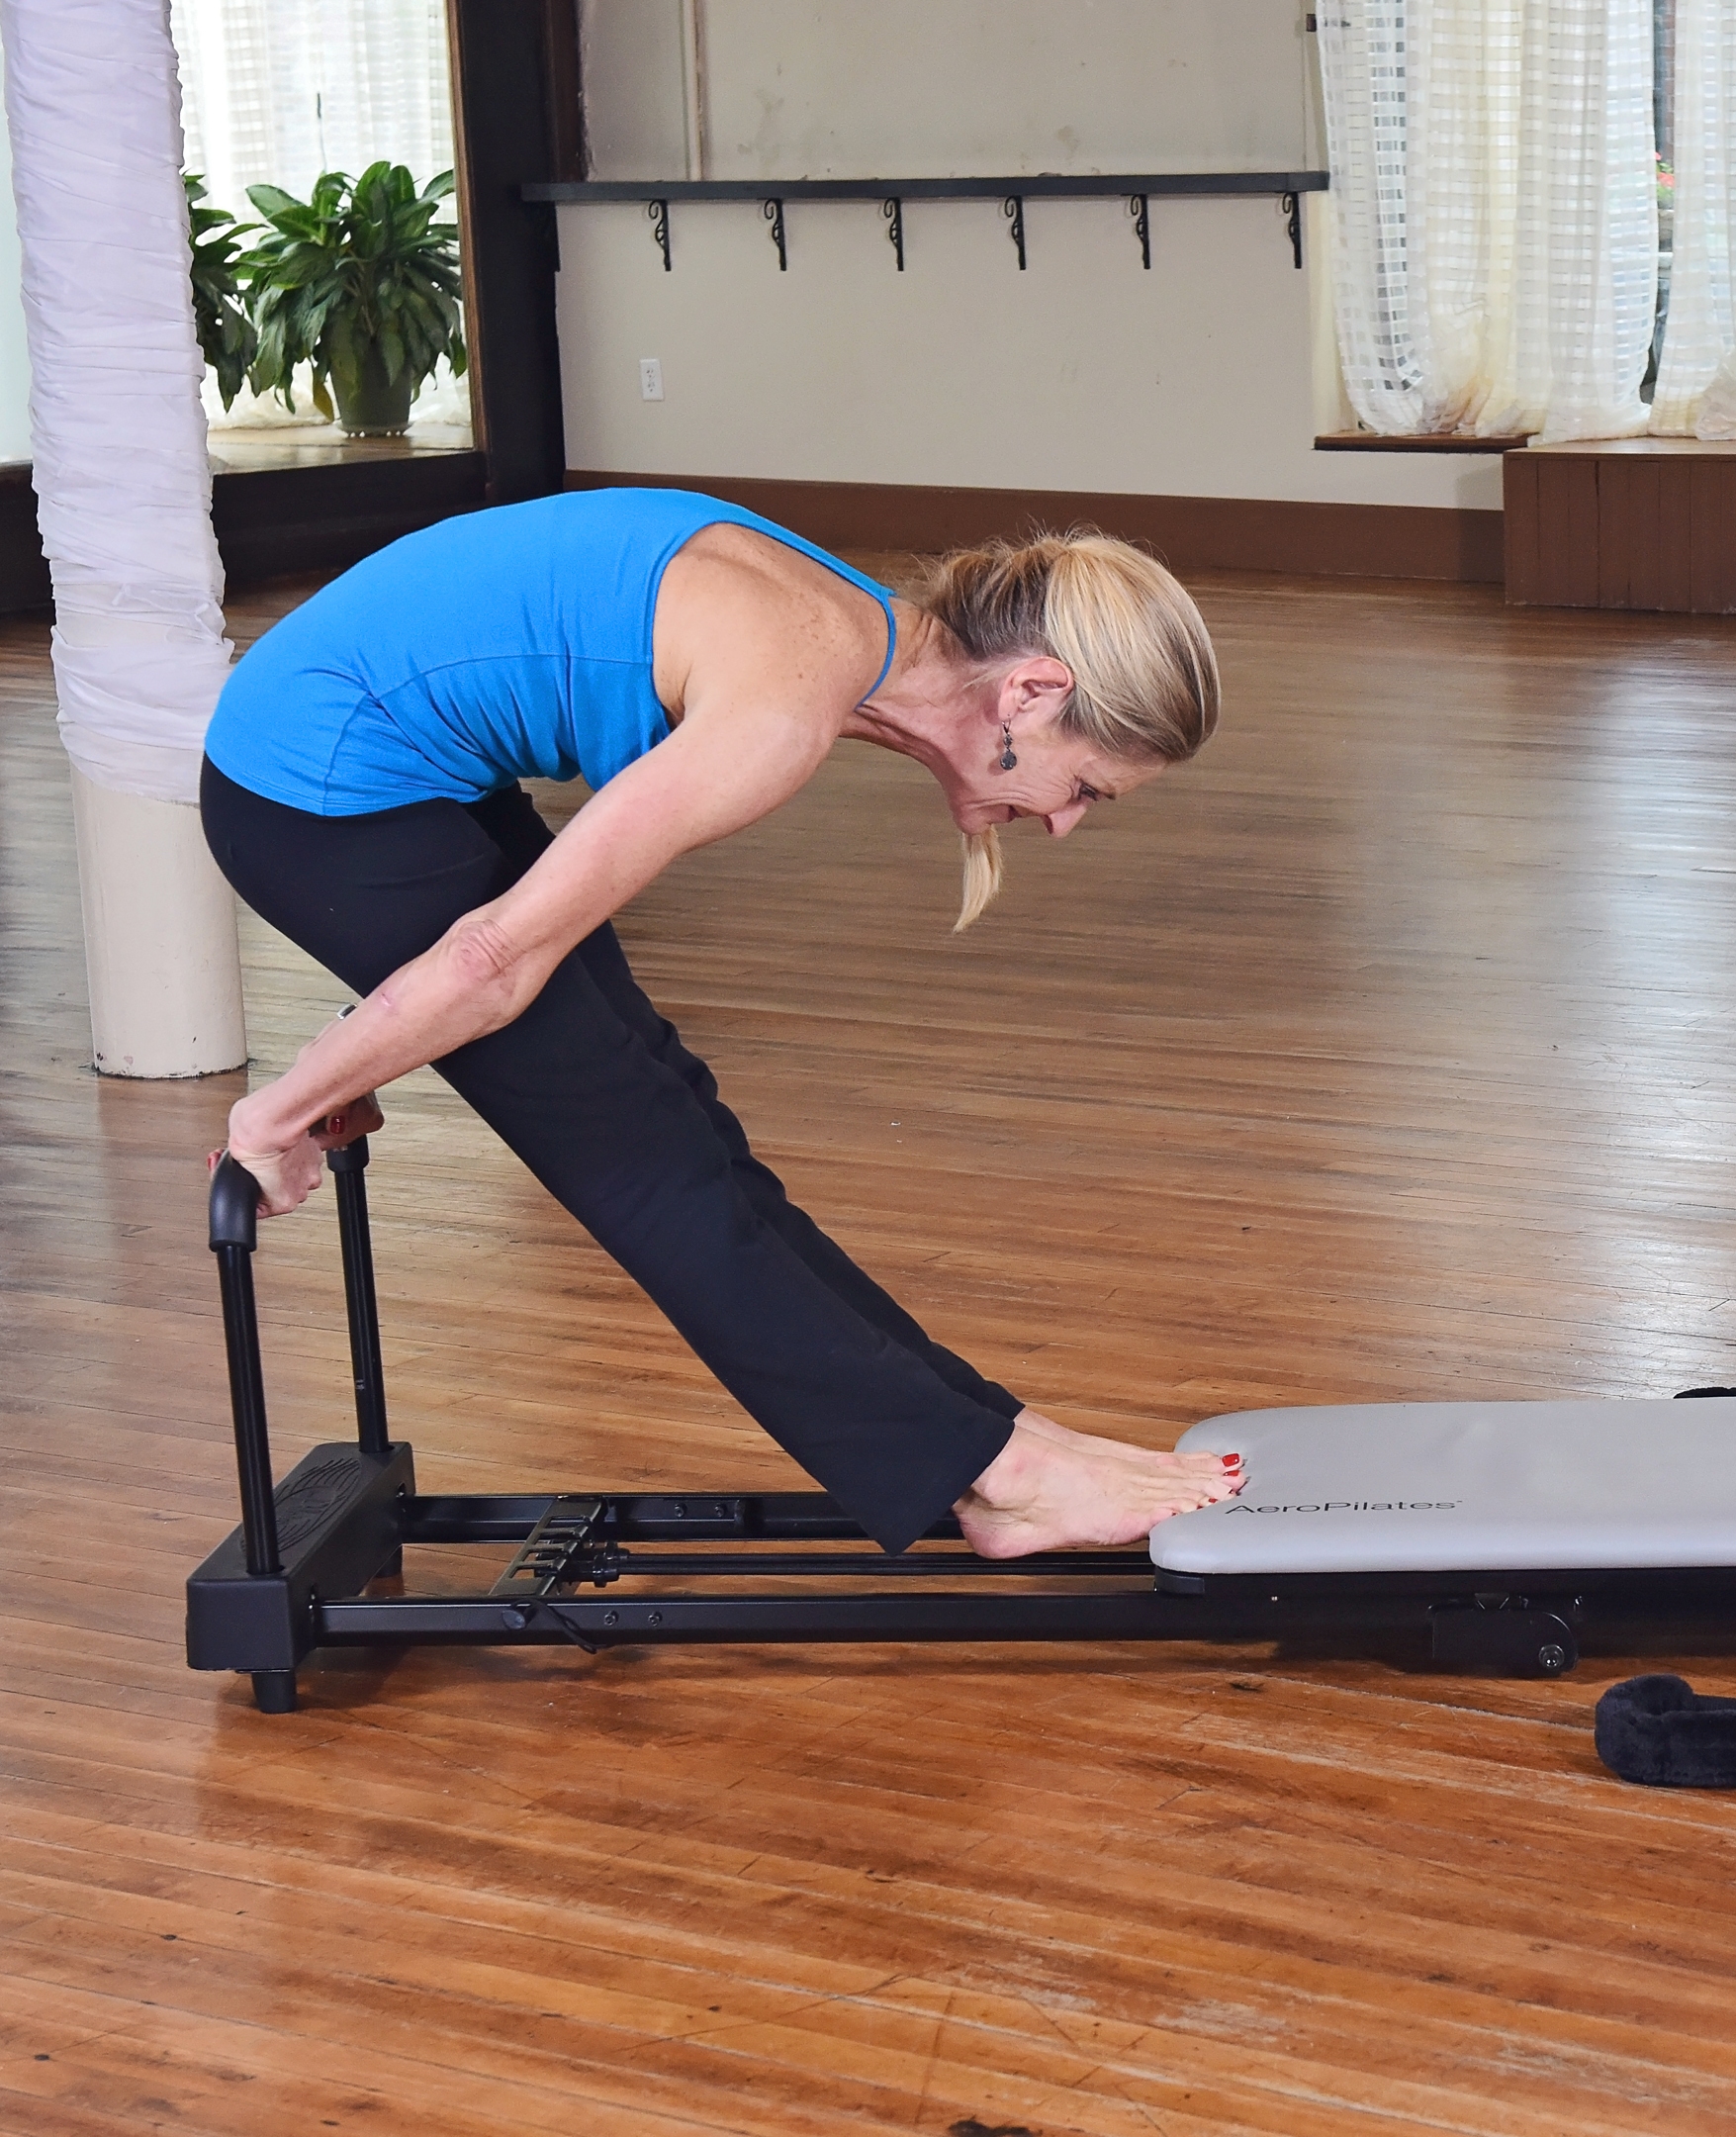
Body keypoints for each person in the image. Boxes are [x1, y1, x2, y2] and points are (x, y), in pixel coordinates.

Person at [199, 488, 1243, 1558]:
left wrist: (372, 1038)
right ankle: (1007, 1475)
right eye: (1089, 789)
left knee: (666, 1114)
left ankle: (1001, 1442)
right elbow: (490, 960)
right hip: (317, 790)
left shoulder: (852, 627)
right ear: (1031, 689)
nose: (1064, 823)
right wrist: (281, 1112)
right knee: (645, 1160)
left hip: (394, 754)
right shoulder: (783, 708)